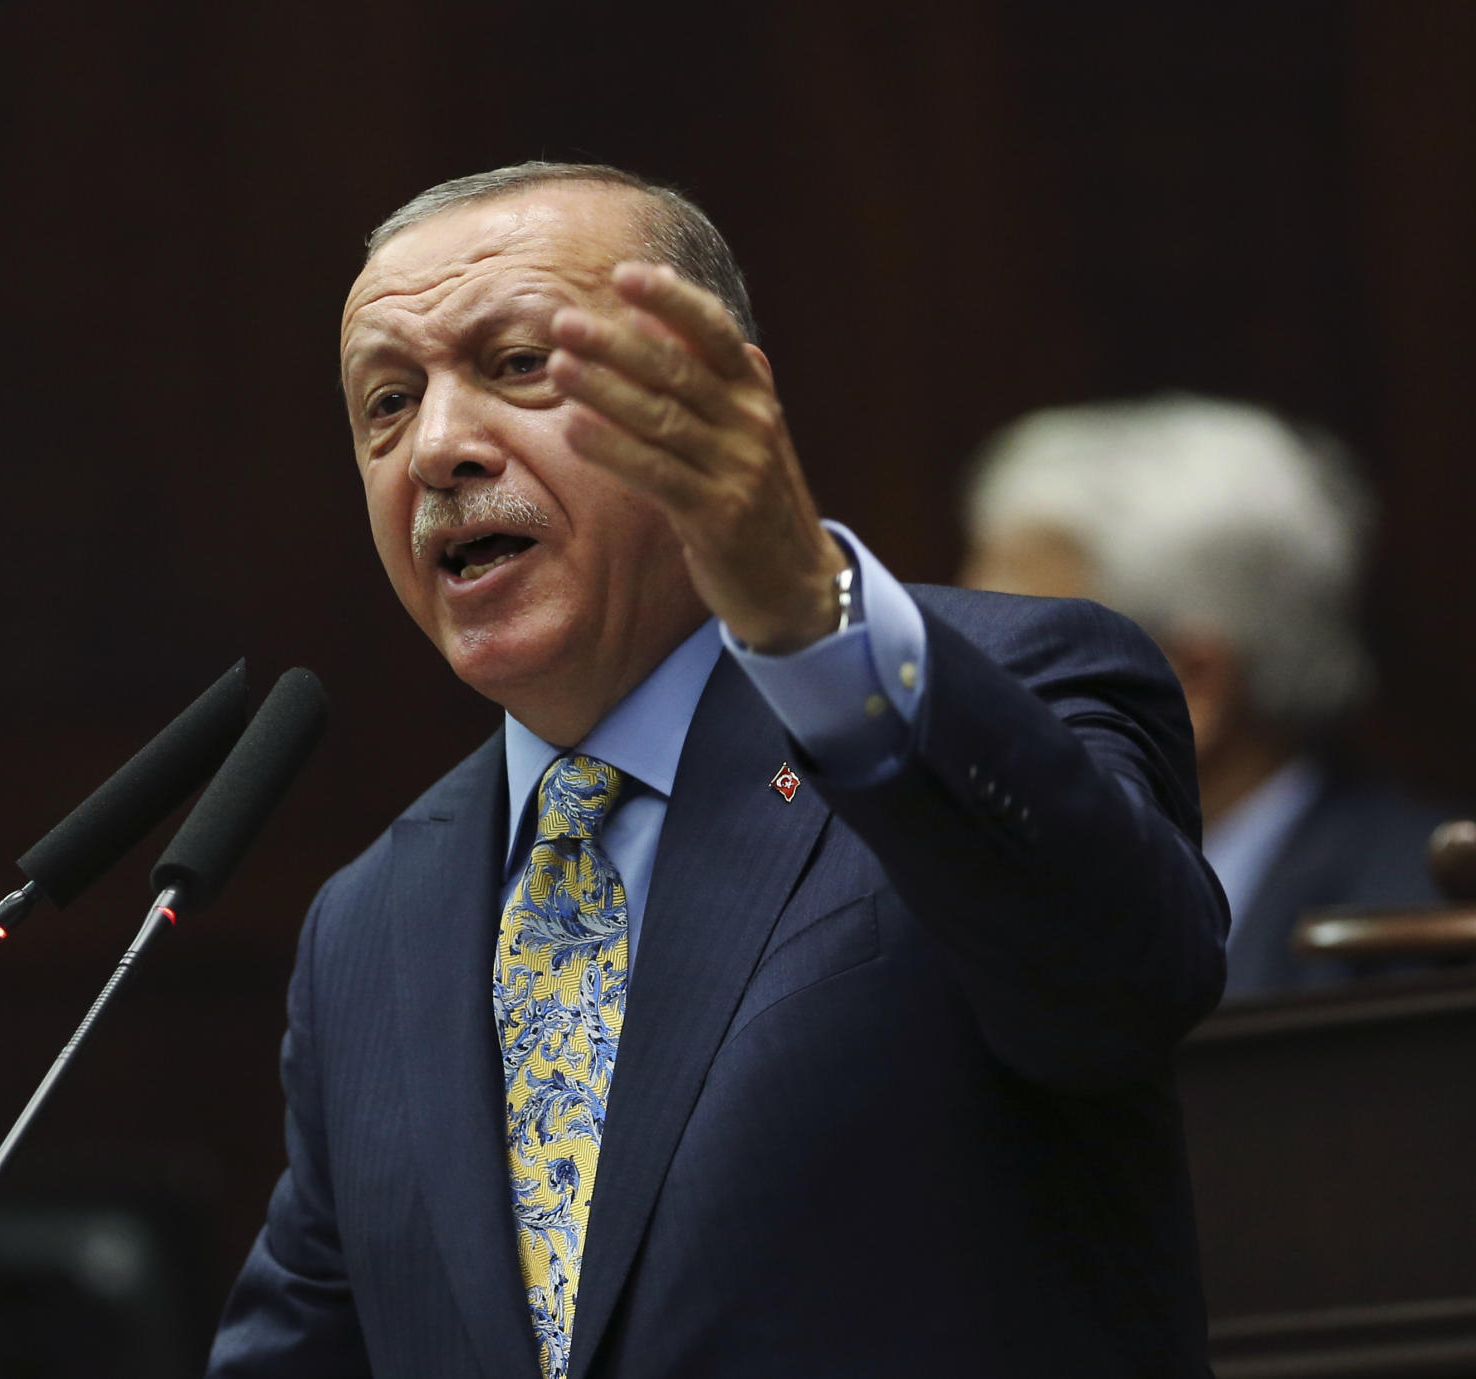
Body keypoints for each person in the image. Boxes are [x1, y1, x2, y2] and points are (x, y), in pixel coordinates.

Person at [207, 163, 1228, 1378]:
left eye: (519, 364)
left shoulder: (997, 689)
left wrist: (812, 624)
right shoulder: (366, 925)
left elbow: (1120, 989)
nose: (436, 448)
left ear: (727, 405)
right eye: (385, 402)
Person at [960, 396, 1449, 1000]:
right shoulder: (971, 895)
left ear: (1192, 685)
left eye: (1006, 653)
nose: (955, 690)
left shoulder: (1419, 940)